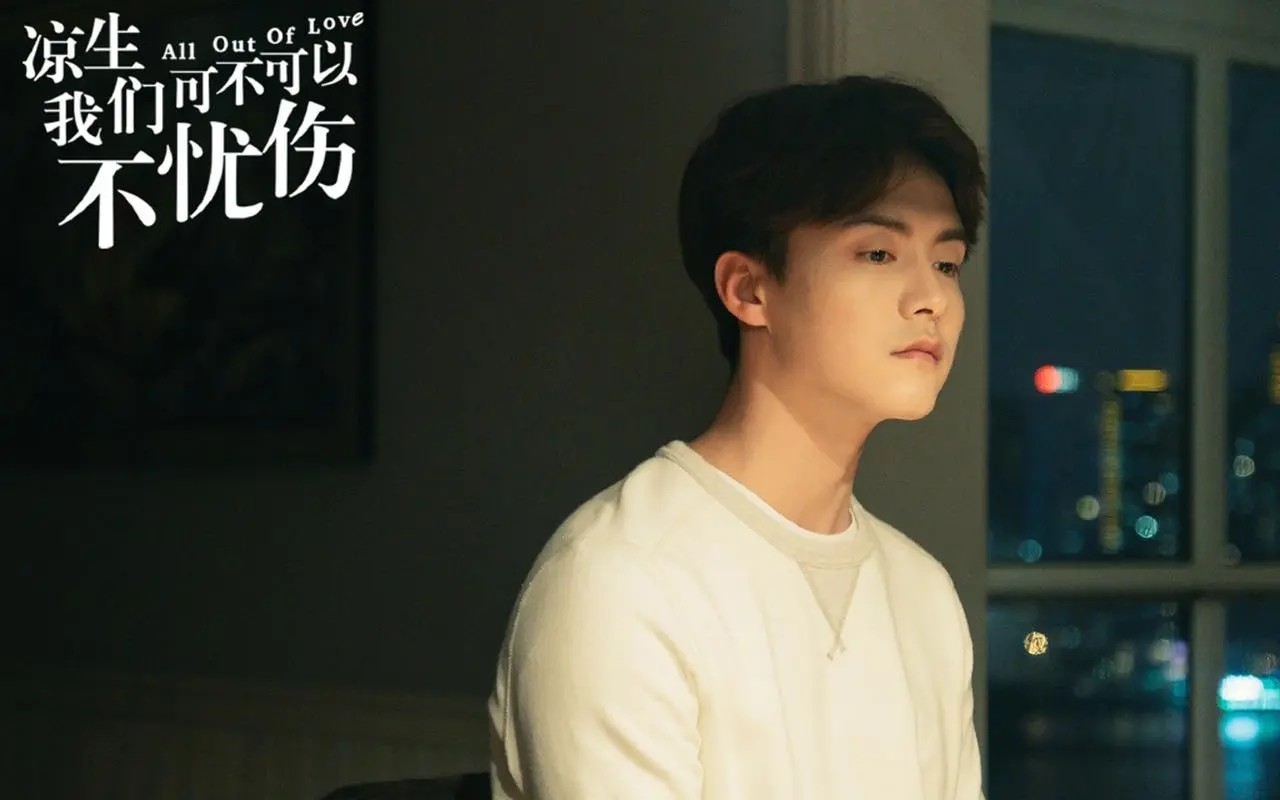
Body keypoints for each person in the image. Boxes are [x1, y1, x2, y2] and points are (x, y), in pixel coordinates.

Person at [487, 74, 987, 799]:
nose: (932, 298)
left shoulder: (923, 593)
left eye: (946, 263)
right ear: (749, 290)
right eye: (878, 254)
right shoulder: (621, 579)